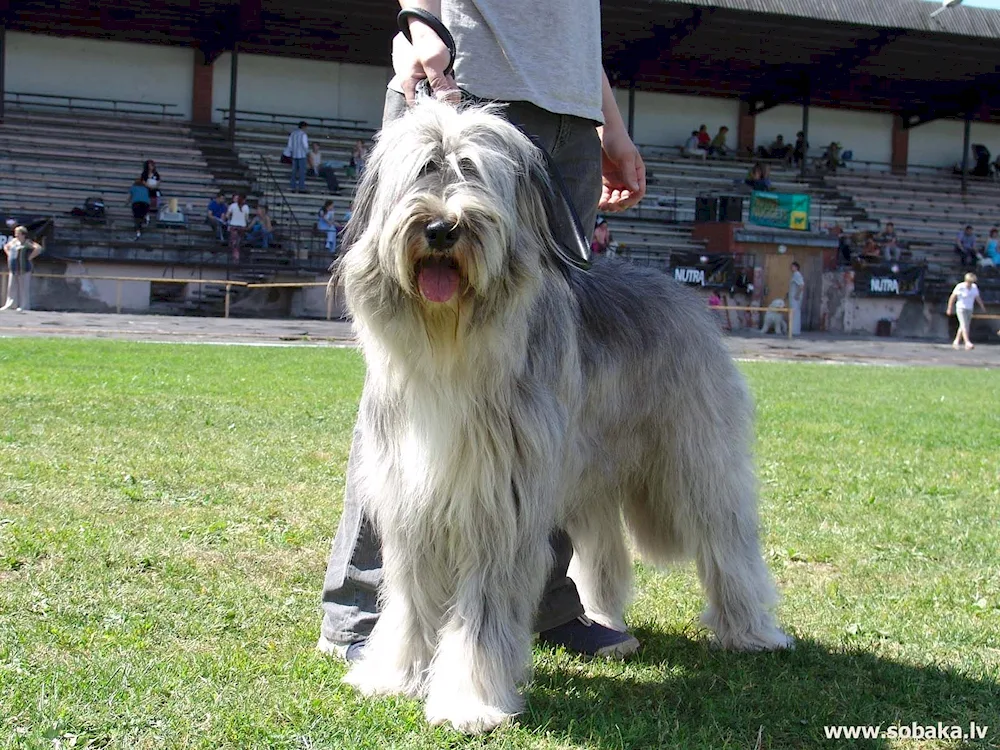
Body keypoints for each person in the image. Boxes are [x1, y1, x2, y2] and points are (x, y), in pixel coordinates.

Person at [320, 0, 648, 665]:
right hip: (468, 80)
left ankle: (542, 603)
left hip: (570, 119)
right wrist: (418, 23)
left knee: (543, 390)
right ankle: (369, 613)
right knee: (405, 374)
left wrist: (607, 122)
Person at [1, 225, 43, 312]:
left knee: (24, 287)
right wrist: (9, 254)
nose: (16, 235)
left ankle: (24, 306)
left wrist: (30, 257)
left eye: (18, 233)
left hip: (24, 268)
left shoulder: (27, 242)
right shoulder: (13, 242)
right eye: (15, 233)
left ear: (23, 234)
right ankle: (10, 304)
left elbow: (38, 248)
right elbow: (6, 247)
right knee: (11, 287)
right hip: (14, 267)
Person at [947, 272, 987, 350]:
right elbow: (952, 297)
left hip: (969, 308)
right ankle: (967, 342)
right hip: (961, 308)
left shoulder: (974, 287)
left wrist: (982, 306)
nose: (970, 284)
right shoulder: (960, 287)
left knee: (964, 325)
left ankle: (956, 341)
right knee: (964, 325)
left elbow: (977, 297)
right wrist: (949, 308)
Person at [225, 194, 250, 263]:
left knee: (233, 241)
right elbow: (247, 218)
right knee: (239, 242)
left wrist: (228, 219)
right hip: (242, 226)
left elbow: (227, 215)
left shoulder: (232, 206)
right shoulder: (246, 207)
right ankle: (237, 256)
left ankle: (235, 255)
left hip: (233, 225)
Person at [285, 121, 310, 192]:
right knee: (302, 172)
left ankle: (292, 186)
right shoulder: (303, 134)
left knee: (294, 172)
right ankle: (301, 187)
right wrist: (308, 153)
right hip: (302, 155)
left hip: (294, 155)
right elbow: (305, 145)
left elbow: (289, 145)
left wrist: (290, 153)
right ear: (304, 127)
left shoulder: (293, 134)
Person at [788, 261, 805, 336]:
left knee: (795, 313)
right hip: (793, 296)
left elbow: (801, 286)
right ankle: (793, 330)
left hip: (795, 298)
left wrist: (797, 295)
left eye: (792, 266)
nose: (791, 268)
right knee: (794, 313)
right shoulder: (794, 275)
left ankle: (795, 330)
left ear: (796, 267)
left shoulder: (797, 274)